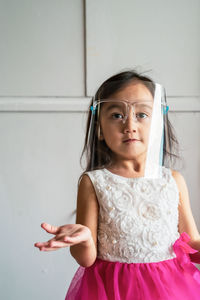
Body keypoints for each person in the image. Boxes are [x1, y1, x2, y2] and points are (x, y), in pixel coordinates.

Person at [34, 70, 200, 299]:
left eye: (142, 114)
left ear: (158, 123)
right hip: (113, 290)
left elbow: (191, 244)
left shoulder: (174, 180)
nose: (130, 125)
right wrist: (83, 238)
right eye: (116, 115)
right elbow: (86, 259)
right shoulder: (93, 182)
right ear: (99, 128)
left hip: (172, 288)